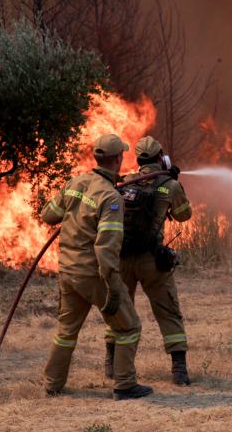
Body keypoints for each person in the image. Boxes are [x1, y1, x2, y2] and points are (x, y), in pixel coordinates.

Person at [40, 134, 152, 400]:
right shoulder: (111, 198)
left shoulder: (76, 183)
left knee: (66, 332)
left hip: (68, 271)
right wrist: (113, 286)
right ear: (117, 159)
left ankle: (52, 383)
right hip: (93, 275)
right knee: (128, 325)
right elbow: (106, 246)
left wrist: (74, 212)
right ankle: (125, 385)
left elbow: (48, 214)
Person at [104, 136, 193, 385]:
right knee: (168, 310)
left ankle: (111, 364)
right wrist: (174, 184)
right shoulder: (169, 185)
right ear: (160, 158)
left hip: (121, 259)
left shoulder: (125, 182)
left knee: (120, 310)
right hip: (151, 261)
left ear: (138, 159)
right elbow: (184, 215)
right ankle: (179, 371)